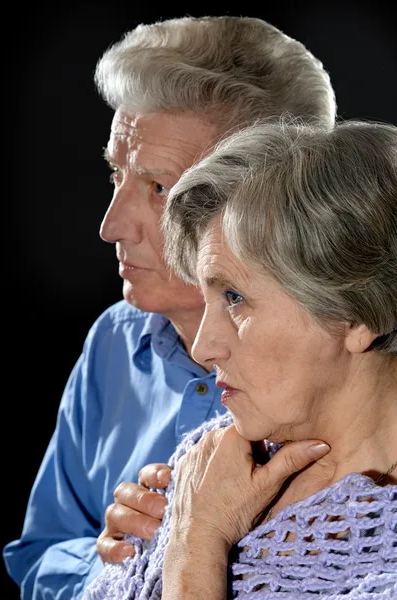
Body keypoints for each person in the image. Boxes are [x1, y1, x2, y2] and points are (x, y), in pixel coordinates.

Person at [3, 15, 337, 599]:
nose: (110, 227)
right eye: (116, 173)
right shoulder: (114, 342)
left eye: (160, 188)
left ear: (274, 201)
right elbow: (40, 554)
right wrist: (109, 570)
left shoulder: (347, 373)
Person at [82, 117, 397, 599]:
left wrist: (197, 542)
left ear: (359, 315)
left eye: (234, 298)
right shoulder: (208, 458)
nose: (204, 347)